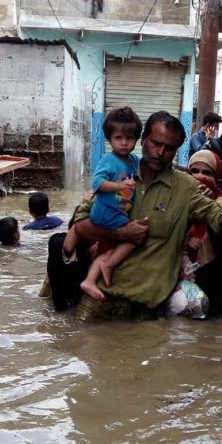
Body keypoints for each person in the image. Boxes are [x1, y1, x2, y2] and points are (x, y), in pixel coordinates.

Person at [47, 110, 222, 321]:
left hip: (150, 310)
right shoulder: (119, 173)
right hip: (100, 298)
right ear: (143, 140)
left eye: (169, 148)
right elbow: (81, 225)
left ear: (176, 151)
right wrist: (121, 232)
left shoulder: (186, 187)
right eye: (155, 143)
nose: (160, 152)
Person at [75, 107, 141, 301]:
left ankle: (91, 278)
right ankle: (107, 267)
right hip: (106, 212)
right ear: (109, 139)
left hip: (118, 212)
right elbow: (97, 183)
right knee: (135, 236)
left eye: (129, 138)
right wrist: (119, 185)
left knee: (109, 249)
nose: (124, 143)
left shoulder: (134, 160)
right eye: (119, 138)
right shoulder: (108, 160)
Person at [183, 150, 222, 315]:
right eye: (194, 171)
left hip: (214, 280)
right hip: (181, 277)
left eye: (207, 172)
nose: (200, 176)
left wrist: (209, 208)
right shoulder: (178, 199)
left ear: (216, 176)